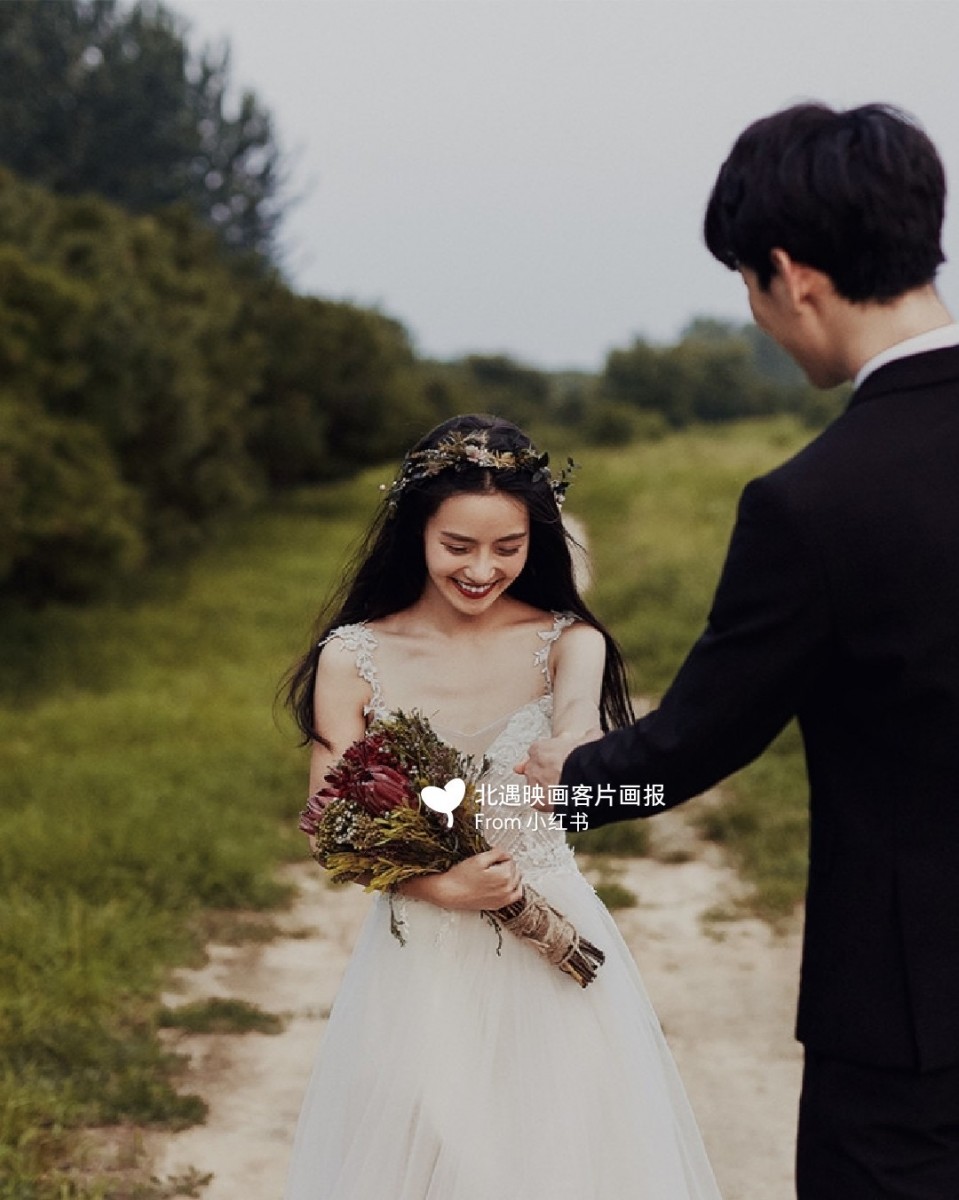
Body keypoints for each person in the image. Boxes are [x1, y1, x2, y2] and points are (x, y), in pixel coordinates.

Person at [523, 103, 959, 1198]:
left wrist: (552, 784)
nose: (758, 317)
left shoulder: (814, 503)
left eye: (748, 286)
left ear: (790, 273)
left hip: (913, 1025)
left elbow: (695, 741)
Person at [282, 413, 723, 1200]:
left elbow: (578, 726)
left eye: (507, 548)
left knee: (559, 1155)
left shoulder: (564, 643)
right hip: (420, 951)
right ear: (415, 533)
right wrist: (444, 888)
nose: (482, 569)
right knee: (435, 1147)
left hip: (550, 939)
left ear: (537, 542)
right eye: (458, 546)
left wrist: (574, 752)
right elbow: (329, 821)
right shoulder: (352, 656)